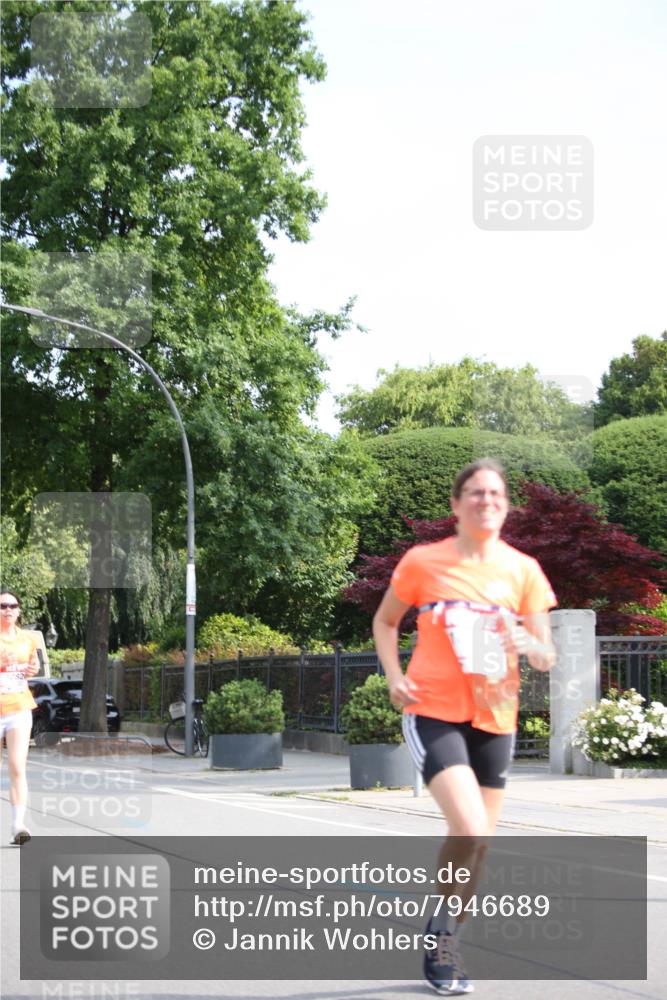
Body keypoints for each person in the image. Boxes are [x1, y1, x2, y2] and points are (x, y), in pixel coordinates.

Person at [372, 459, 557, 995]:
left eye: (496, 493)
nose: (486, 501)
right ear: (456, 505)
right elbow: (385, 620)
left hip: (495, 716)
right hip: (432, 710)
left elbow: (546, 655)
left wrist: (530, 643)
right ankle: (442, 942)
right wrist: (393, 676)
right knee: (470, 827)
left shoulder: (523, 570)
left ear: (506, 506)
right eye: (475, 493)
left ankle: (445, 934)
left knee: (480, 845)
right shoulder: (423, 561)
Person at [0, 590, 40, 845]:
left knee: (17, 766)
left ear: (19, 610)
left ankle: (18, 826)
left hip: (19, 707)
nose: (8, 610)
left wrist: (32, 669)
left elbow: (33, 666)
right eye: (3, 606)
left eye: (12, 606)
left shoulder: (27, 639)